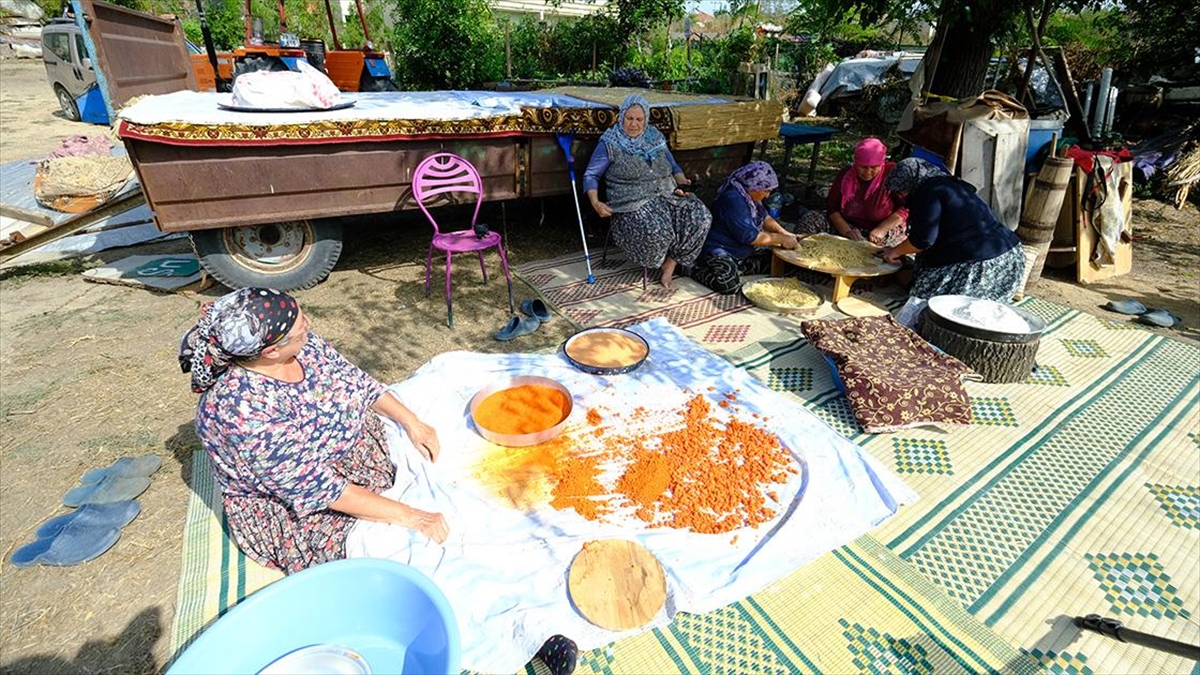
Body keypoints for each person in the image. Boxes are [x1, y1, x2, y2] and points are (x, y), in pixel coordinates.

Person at [179, 287, 448, 575]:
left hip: (353, 459)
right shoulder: (240, 409)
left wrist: (411, 422)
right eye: (299, 325)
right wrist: (413, 517)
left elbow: (355, 381)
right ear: (271, 351)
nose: (307, 323)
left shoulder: (302, 345)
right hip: (303, 506)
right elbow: (319, 488)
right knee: (406, 555)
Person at [583, 94, 712, 289]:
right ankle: (658, 259)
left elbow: (674, 166)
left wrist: (682, 184)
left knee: (701, 215)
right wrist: (595, 202)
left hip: (667, 194)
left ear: (646, 119)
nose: (634, 124)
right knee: (657, 231)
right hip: (631, 202)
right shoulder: (610, 142)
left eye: (639, 119)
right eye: (629, 118)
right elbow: (591, 175)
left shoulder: (655, 137)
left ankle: (671, 263)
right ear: (622, 116)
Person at [879, 158, 1025, 302]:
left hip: (981, 264)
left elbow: (923, 240)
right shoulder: (951, 184)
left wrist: (894, 251)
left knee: (925, 301)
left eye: (903, 191)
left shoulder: (928, 191)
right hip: (1010, 256)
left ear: (910, 183)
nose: (902, 196)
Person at [691, 161, 799, 294]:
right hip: (719, 250)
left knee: (784, 264)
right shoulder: (733, 199)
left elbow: (765, 218)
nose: (767, 196)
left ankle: (737, 268)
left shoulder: (750, 198)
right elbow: (750, 236)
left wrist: (785, 233)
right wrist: (780, 239)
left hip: (742, 252)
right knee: (728, 284)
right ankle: (693, 268)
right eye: (766, 191)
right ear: (754, 186)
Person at [797, 137, 908, 247]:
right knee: (810, 219)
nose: (868, 172)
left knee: (883, 248)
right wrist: (847, 232)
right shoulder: (846, 175)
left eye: (874, 167)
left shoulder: (892, 175)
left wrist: (881, 229)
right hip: (848, 225)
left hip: (879, 229)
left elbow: (906, 208)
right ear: (856, 163)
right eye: (863, 167)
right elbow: (833, 208)